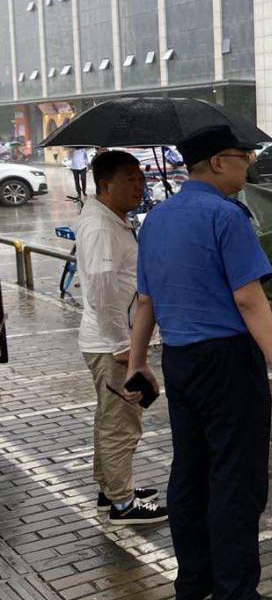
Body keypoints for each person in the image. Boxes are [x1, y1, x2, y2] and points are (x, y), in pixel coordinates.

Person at [125, 124, 272, 600]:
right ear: (220, 162)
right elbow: (249, 298)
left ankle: (192, 584)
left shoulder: (156, 219)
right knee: (236, 477)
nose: (249, 166)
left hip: (180, 360)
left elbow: (145, 301)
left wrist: (140, 362)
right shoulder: (227, 216)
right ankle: (235, 599)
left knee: (191, 470)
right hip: (227, 361)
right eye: (244, 159)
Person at [77, 150, 167, 525]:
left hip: (112, 339)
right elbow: (101, 290)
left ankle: (110, 489)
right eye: (130, 178)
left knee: (111, 417)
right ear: (105, 184)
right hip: (111, 343)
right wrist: (124, 347)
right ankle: (122, 503)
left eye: (141, 177)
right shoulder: (100, 227)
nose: (139, 185)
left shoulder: (113, 220)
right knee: (121, 422)